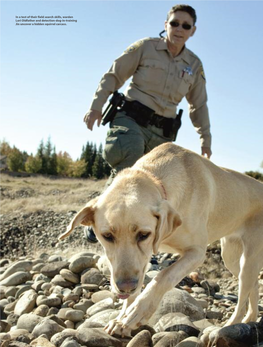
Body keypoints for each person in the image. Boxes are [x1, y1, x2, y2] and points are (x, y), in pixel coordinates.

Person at [83, 4, 212, 243]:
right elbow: (114, 75)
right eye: (174, 23)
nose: (179, 29)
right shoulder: (145, 47)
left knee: (155, 185)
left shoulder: (194, 66)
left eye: (185, 25)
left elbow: (199, 105)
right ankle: (100, 217)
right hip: (131, 120)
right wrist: (96, 106)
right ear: (166, 25)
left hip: (162, 133)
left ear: (193, 31)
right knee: (129, 158)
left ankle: (143, 240)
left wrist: (205, 138)